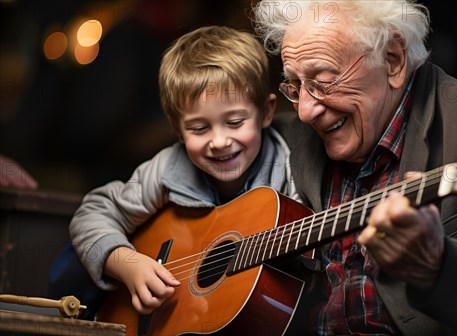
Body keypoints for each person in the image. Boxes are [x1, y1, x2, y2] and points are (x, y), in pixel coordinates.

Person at [252, 0, 457, 334]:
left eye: (323, 81)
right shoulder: (284, 139)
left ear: (393, 60)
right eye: (295, 87)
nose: (305, 111)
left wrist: (440, 266)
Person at [68, 25, 298, 315]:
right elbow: (92, 213)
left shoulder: (289, 175)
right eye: (199, 128)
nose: (219, 141)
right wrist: (127, 263)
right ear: (177, 130)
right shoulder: (168, 169)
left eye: (235, 122)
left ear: (266, 112)